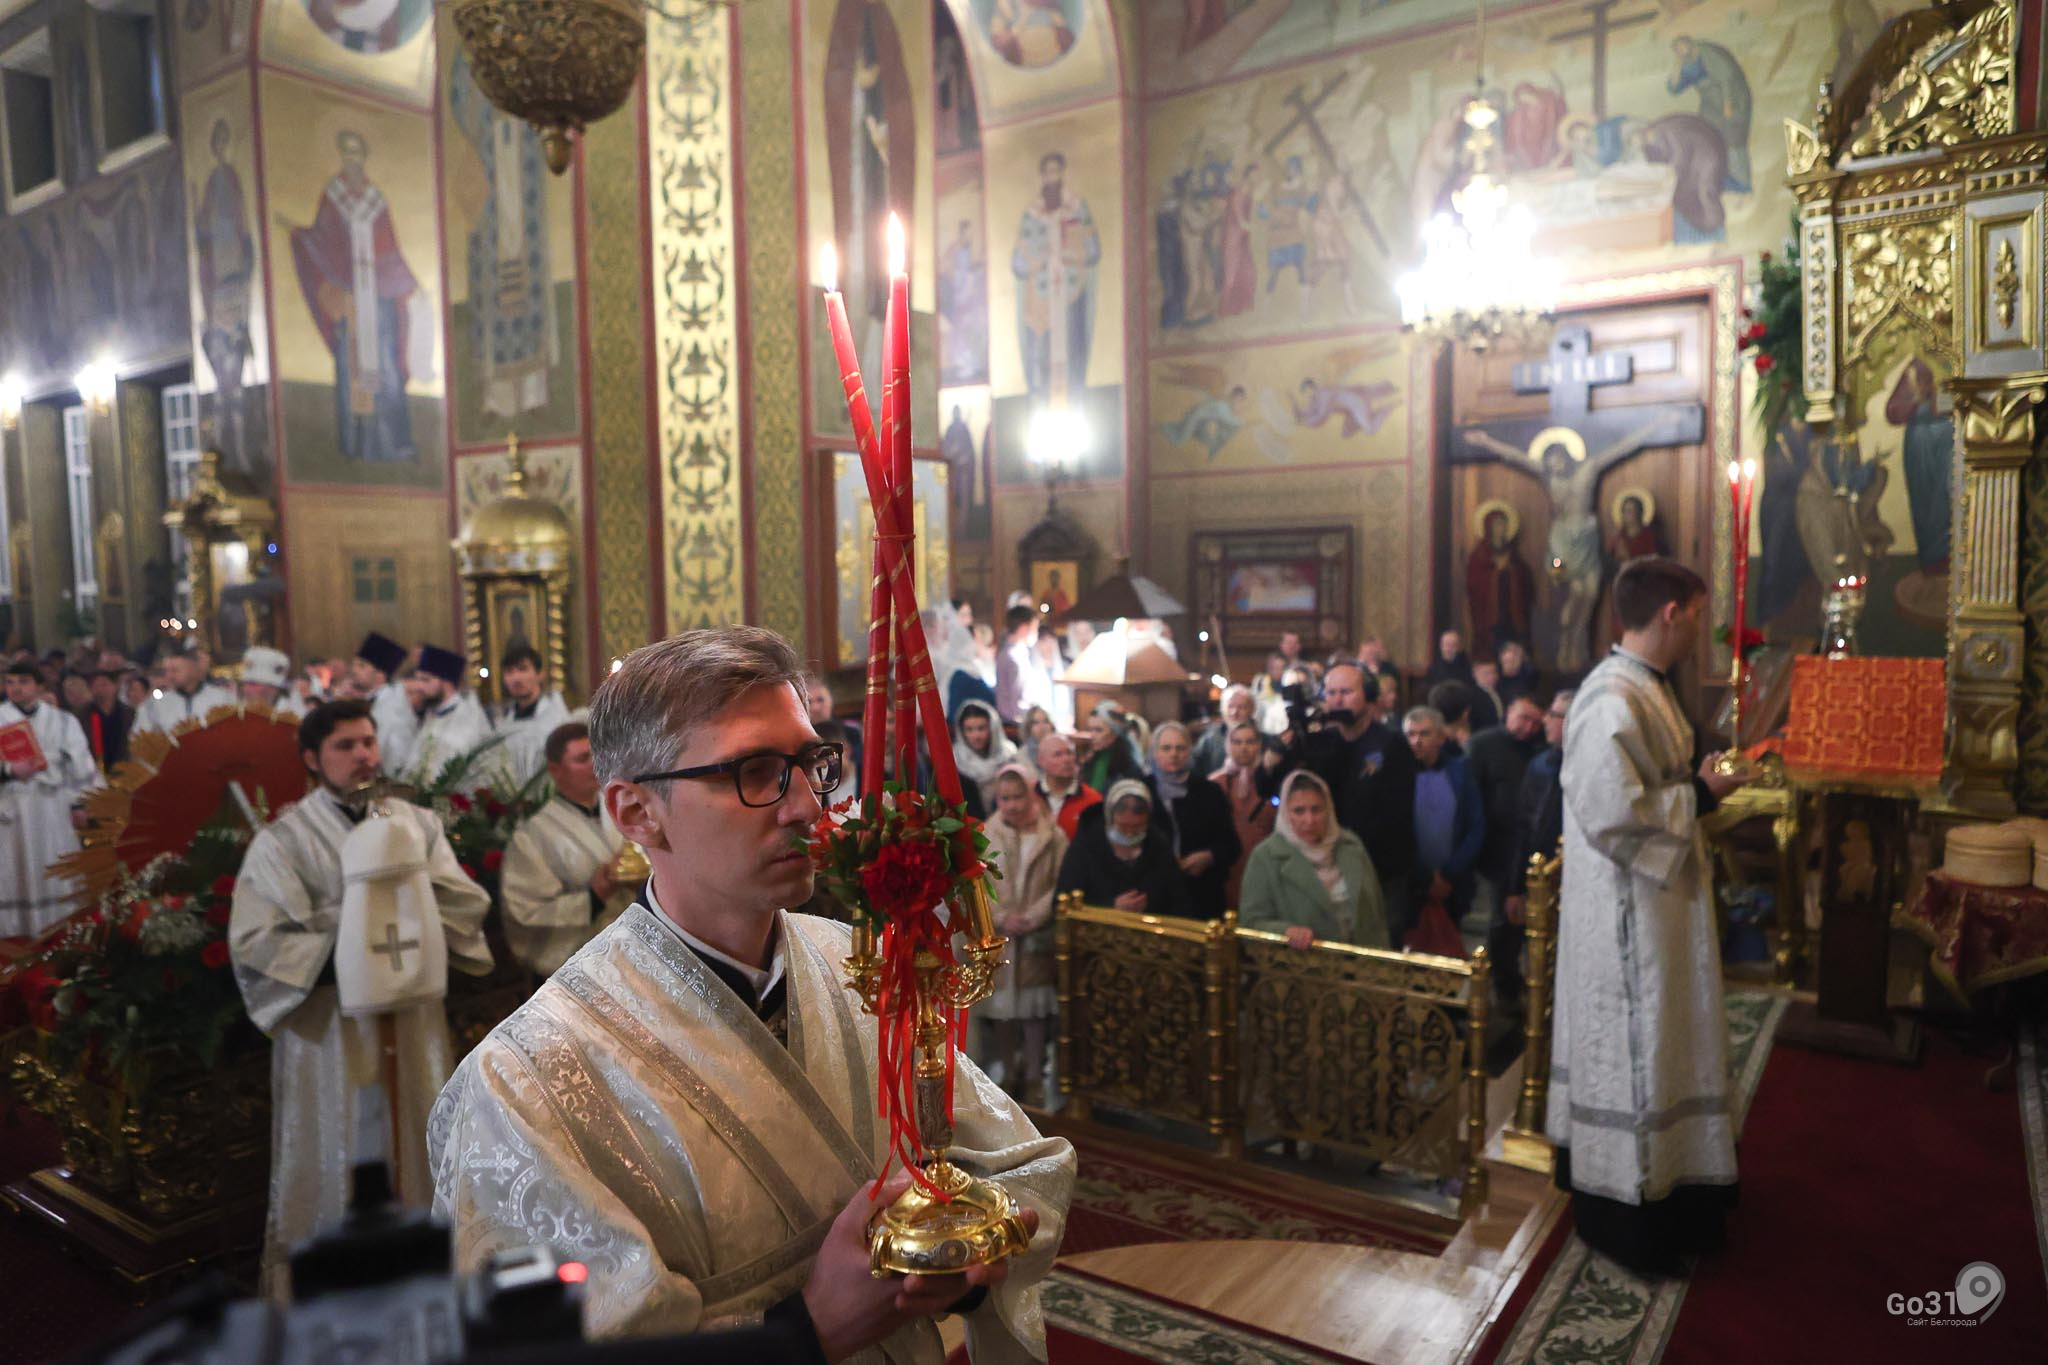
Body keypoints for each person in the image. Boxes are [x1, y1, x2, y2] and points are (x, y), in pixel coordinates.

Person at [429, 627, 1072, 1354]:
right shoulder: (522, 1079)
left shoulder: (861, 965)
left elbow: (1019, 1166)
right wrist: (807, 1330)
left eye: (811, 763)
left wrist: (965, 1266)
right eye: (757, 772)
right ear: (637, 812)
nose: (806, 806)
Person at [231, 699, 493, 1292]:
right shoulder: (285, 840)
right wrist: (356, 935)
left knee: (422, 1134)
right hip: (331, 1029)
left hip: (413, 1015)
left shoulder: (415, 824)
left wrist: (411, 911)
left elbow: (463, 901)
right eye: (345, 746)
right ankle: (338, 1286)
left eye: (369, 742)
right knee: (344, 1142)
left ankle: (437, 1269)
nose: (363, 756)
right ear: (312, 759)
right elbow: (257, 939)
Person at [1548, 558, 1751, 1277]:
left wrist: (1702, 784)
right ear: (1670, 612)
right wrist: (1700, 793)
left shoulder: (1645, 687)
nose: (1701, 625)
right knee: (1640, 1047)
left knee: (1672, 1036)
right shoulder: (1609, 698)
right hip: (1626, 915)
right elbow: (1612, 811)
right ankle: (1633, 1217)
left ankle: (1682, 1192)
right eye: (1697, 612)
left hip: (1663, 902)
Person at [500, 722, 628, 977]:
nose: (594, 765)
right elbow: (525, 913)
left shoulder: (624, 809)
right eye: (582, 759)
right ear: (555, 770)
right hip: (583, 967)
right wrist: (594, 895)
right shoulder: (533, 836)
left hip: (640, 950)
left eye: (595, 755)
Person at [976, 764, 1067, 1103]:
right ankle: (1008, 1067)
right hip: (1001, 935)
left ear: (1031, 795)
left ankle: (1033, 1074)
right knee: (1002, 1010)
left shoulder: (1052, 835)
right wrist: (1000, 916)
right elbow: (979, 882)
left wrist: (1033, 915)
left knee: (1032, 1012)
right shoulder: (988, 833)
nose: (1012, 805)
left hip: (1034, 935)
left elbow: (1059, 883)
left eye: (1018, 797)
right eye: (1005, 798)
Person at [1, 659, 98, 937]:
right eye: (10, 682)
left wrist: (79, 803)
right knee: (14, 870)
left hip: (51, 807)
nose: (16, 688)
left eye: (23, 682)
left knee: (54, 866)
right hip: (12, 808)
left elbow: (81, 765)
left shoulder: (62, 720)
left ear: (39, 686)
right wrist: (9, 770)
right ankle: (15, 937)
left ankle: (59, 932)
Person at [1239, 770, 1387, 950]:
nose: (1309, 820)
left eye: (1316, 810)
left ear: (1329, 809)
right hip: (1302, 967)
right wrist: (1286, 931)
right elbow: (1251, 922)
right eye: (1299, 811)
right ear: (1286, 813)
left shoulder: (1351, 846)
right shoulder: (1266, 856)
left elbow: (1377, 913)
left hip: (1363, 966)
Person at [1466, 697, 1547, 996]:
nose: (1529, 727)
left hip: (1524, 847)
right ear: (1509, 713)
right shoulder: (1483, 744)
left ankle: (1513, 979)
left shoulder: (1538, 750)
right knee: (1502, 921)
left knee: (1517, 922)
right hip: (1494, 847)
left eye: (1535, 723)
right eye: (1523, 718)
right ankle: (1503, 983)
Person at [1501, 689, 1573, 1012]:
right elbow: (1524, 826)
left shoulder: (1589, 763)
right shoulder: (1540, 764)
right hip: (1537, 875)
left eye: (1555, 716)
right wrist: (1514, 886)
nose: (1546, 720)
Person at [1401, 706, 1484, 951]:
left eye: (1424, 734)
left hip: (1454, 880)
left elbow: (1476, 824)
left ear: (1441, 737)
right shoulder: (1398, 775)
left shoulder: (1460, 771)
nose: (1417, 741)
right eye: (1410, 734)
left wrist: (1447, 874)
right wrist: (1426, 877)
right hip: (1410, 880)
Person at [1056, 779, 1191, 919]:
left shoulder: (1158, 845)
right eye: (1123, 826)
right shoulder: (1086, 846)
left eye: (1137, 826)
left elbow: (1178, 900)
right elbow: (1063, 904)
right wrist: (1111, 907)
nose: (1130, 833)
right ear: (1110, 817)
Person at [1148, 722, 1240, 919]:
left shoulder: (1210, 791)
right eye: (1166, 748)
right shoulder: (1141, 790)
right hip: (1154, 895)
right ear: (1155, 753)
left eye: (1180, 748)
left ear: (1189, 752)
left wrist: (1209, 856)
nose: (1174, 754)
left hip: (1202, 894)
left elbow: (1232, 845)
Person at [487, 645, 572, 790]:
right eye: (509, 672)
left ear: (540, 675)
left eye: (523, 669)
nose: (516, 678)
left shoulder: (557, 719)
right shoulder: (503, 724)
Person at [1210, 721, 1275, 908]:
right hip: (1228, 866)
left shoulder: (1271, 780)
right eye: (1237, 742)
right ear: (1228, 746)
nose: (1243, 748)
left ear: (1259, 745)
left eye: (1250, 742)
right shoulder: (1216, 783)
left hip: (1263, 860)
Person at [407, 645, 493, 786]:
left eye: (425, 680)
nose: (418, 686)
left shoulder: (468, 718)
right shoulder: (432, 715)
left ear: (447, 683)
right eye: (417, 679)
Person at [133, 639, 235, 735]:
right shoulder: (155, 704)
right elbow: (141, 737)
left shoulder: (222, 698)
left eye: (175, 670)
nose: (170, 676)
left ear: (194, 669)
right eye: (166, 671)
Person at [354, 632, 420, 778]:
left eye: (362, 666)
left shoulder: (394, 708)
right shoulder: (375, 701)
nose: (355, 670)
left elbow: (397, 759)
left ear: (380, 675)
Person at [951, 699, 1018, 818]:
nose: (976, 736)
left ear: (992, 728)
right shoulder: (955, 760)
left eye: (981, 728)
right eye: (969, 729)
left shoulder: (1009, 755)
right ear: (962, 731)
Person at [1035, 732, 1101, 839]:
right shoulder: (1028, 796)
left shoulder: (1093, 801)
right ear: (1041, 761)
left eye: (1069, 753)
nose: (1066, 760)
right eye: (1058, 755)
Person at [74, 663, 134, 774]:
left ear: (115, 687)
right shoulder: (83, 714)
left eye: (104, 685)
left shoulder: (129, 713)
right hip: (94, 769)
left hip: (124, 768)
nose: (100, 689)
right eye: (96, 686)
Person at [1191, 684, 1254, 780]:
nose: (1234, 712)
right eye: (1230, 707)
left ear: (1251, 710)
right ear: (1222, 709)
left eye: (1241, 707)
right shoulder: (1210, 739)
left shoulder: (1264, 740)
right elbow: (1194, 770)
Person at [1079, 704, 1143, 794]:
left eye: (1098, 730)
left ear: (1115, 733)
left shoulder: (1129, 769)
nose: (1092, 736)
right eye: (1091, 730)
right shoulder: (1090, 761)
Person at [993, 604, 1039, 725]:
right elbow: (1015, 696)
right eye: (1035, 628)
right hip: (1014, 721)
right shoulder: (1012, 656)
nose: (1036, 633)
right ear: (1024, 628)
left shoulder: (1019, 653)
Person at [238, 646, 307, 717]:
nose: (247, 689)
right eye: (246, 684)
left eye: (254, 684)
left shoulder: (293, 716)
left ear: (275, 689)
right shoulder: (235, 712)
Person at [1496, 639, 1540, 709]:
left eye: (1512, 661)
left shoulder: (1529, 679)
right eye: (1506, 661)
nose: (1509, 665)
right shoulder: (1496, 679)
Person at [1469, 660, 1504, 734]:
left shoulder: (1502, 691)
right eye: (1486, 673)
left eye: (1494, 672)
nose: (1491, 677)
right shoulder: (1472, 696)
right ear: (1475, 675)